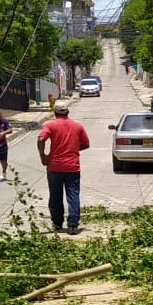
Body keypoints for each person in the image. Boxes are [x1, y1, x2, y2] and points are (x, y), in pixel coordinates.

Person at [37, 100, 90, 234]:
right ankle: (72, 225)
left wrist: (43, 156)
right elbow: (86, 144)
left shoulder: (50, 125)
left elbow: (41, 139)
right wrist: (73, 149)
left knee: (55, 195)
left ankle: (57, 223)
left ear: (54, 112)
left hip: (54, 166)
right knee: (73, 195)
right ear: (68, 111)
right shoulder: (77, 126)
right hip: (72, 166)